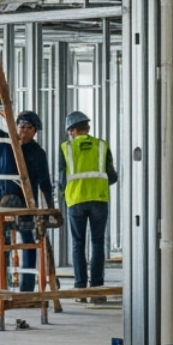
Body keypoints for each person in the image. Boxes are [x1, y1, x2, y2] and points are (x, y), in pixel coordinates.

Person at [0, 100, 55, 291]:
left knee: (28, 241)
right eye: (20, 125)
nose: (23, 130)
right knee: (1, 242)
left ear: (35, 131)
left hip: (24, 204)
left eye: (28, 127)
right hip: (2, 202)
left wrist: (50, 207)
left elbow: (45, 182)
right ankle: (1, 286)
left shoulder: (38, 153)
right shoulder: (6, 141)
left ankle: (27, 287)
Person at [59, 110, 118, 299]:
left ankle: (80, 288)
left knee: (78, 244)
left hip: (75, 200)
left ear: (72, 130)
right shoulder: (102, 145)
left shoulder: (66, 148)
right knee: (98, 243)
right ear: (88, 127)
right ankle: (98, 289)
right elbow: (113, 176)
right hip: (99, 199)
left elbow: (61, 180)